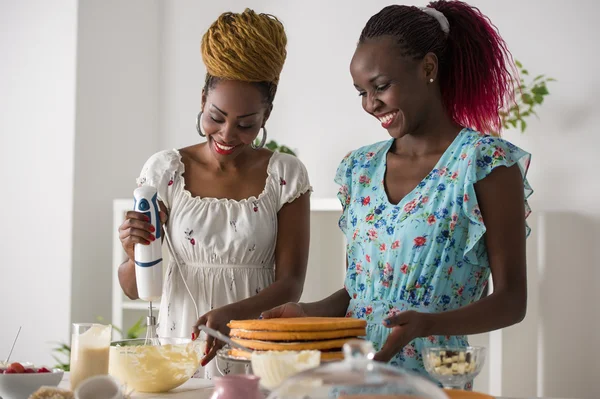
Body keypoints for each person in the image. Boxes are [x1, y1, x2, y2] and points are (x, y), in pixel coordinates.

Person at [261, 0, 532, 389]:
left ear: (428, 68)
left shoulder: (485, 164)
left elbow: (511, 301)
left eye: (381, 87)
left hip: (434, 377)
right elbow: (362, 296)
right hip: (352, 376)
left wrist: (428, 324)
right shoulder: (359, 168)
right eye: (361, 92)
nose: (371, 105)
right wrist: (305, 311)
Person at [118, 8, 311, 379]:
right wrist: (133, 255)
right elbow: (134, 290)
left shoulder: (286, 175)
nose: (226, 134)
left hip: (252, 348)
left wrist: (231, 314)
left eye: (245, 124)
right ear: (203, 97)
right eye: (216, 116)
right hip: (177, 351)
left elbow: (291, 284)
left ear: (266, 115)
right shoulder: (164, 171)